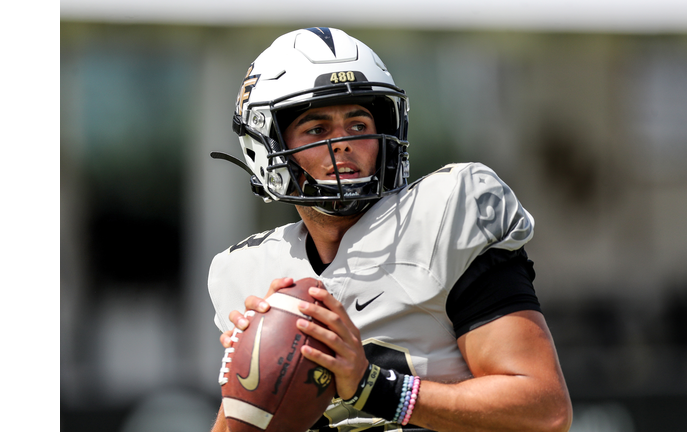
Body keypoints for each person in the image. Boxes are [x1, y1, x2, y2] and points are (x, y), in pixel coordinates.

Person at [208, 27, 572, 432]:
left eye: (359, 125)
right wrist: (248, 385)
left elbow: (544, 410)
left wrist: (370, 386)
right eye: (317, 129)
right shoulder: (247, 273)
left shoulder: (444, 216)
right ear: (266, 146)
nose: (343, 143)